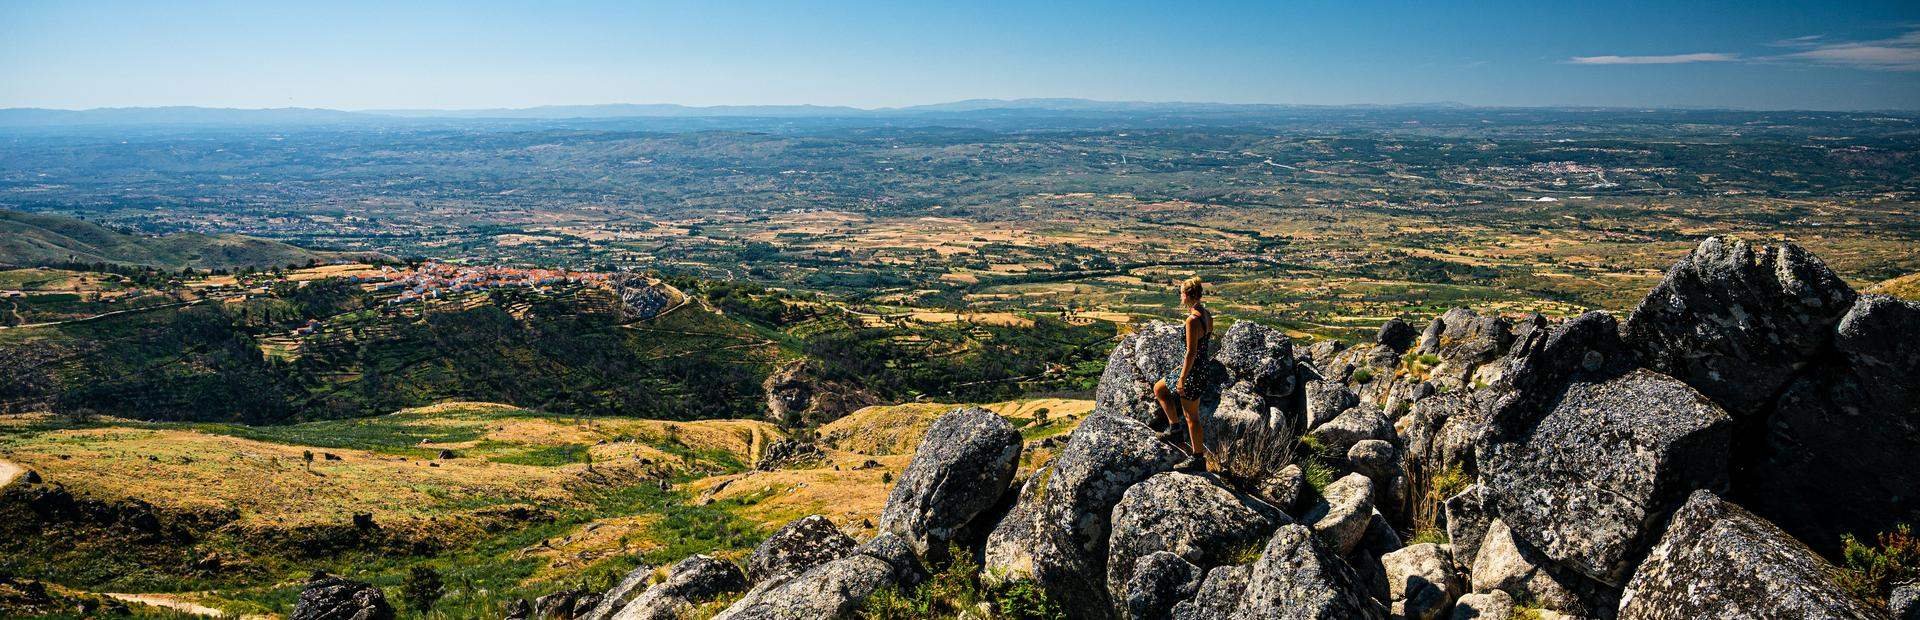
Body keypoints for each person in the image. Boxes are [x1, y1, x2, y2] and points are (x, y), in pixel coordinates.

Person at [1152, 277, 1214, 471]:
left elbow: (1191, 352)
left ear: (1186, 295)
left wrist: (1182, 377)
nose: (1180, 296)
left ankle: (1197, 458)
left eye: (1181, 293)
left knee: (1191, 416)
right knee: (1160, 389)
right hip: (1200, 367)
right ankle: (1174, 428)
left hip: (1192, 372)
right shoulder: (1206, 314)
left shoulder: (1192, 320)